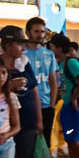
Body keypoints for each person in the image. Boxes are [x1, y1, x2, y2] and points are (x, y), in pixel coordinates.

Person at [0, 32, 43, 158]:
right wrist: (9, 85)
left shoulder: (24, 63)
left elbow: (34, 91)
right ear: (8, 45)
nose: (23, 48)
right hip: (1, 119)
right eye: (19, 44)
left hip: (27, 116)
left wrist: (39, 118)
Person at [24, 17, 59, 145]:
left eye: (42, 32)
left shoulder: (49, 54)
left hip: (46, 105)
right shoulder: (21, 54)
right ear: (28, 32)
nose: (40, 35)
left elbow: (53, 82)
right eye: (36, 31)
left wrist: (52, 105)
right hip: (26, 104)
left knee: (44, 145)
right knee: (27, 146)